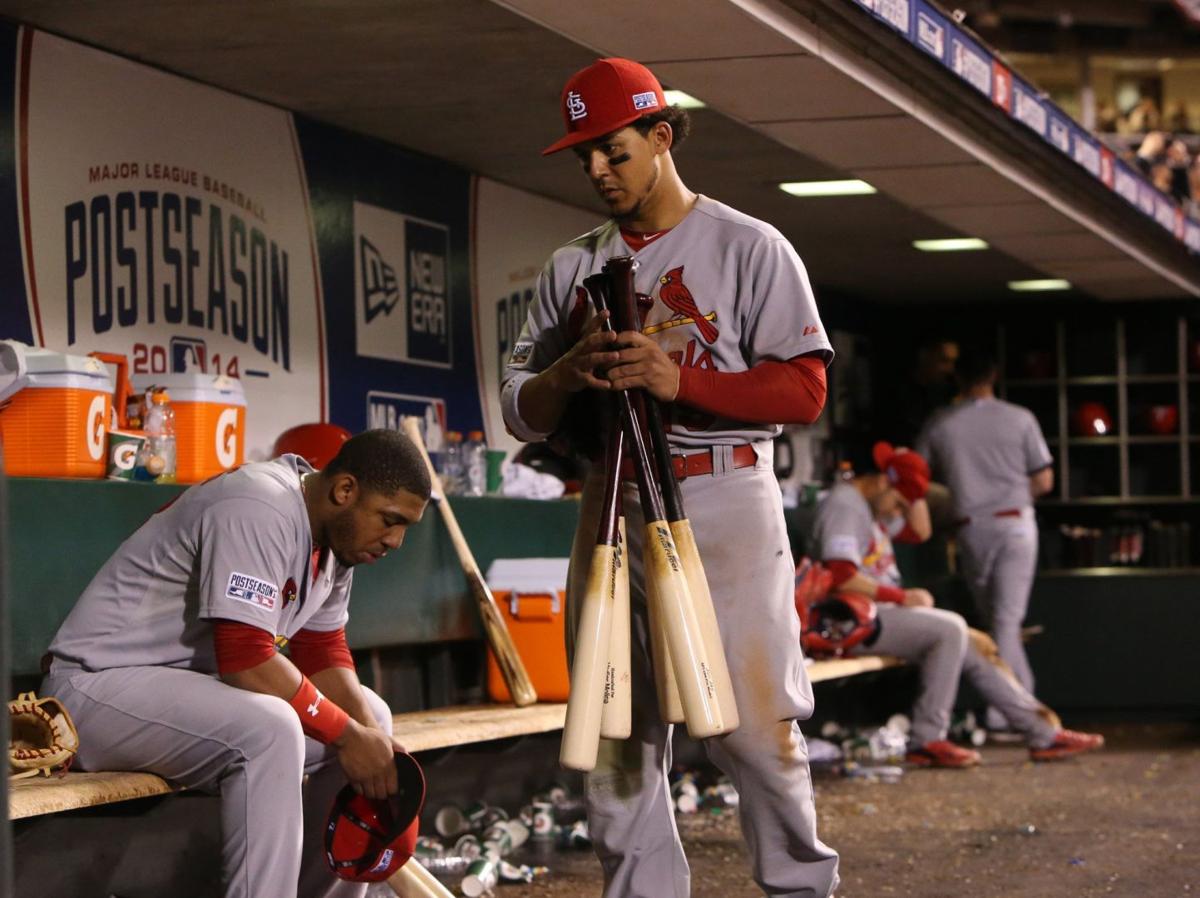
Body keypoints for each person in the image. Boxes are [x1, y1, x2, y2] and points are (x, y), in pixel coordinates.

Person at [501, 57, 839, 898]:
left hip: (720, 493)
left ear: (661, 135)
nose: (598, 171)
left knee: (755, 732)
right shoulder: (568, 267)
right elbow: (519, 409)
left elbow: (804, 388)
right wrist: (569, 371)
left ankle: (801, 886)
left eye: (612, 149)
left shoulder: (748, 244)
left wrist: (680, 380)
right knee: (615, 731)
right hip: (609, 499)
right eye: (584, 157)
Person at [40, 429, 431, 898]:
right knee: (271, 730)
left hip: (182, 693)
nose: (396, 540)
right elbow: (246, 660)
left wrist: (377, 747)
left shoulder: (338, 538)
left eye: (405, 526)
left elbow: (321, 650)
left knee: (375, 715)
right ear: (345, 490)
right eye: (390, 520)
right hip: (92, 692)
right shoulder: (260, 503)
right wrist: (350, 737)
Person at [809, 442, 1104, 766]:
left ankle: (1044, 734)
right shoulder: (845, 505)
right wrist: (902, 596)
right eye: (899, 503)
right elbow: (840, 576)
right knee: (950, 630)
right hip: (845, 619)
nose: (898, 512)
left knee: (974, 642)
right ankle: (927, 739)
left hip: (876, 613)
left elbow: (920, 530)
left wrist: (911, 486)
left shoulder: (874, 502)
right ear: (881, 481)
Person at [916, 347, 1054, 734]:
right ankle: (1020, 712)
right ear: (992, 375)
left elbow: (918, 476)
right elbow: (1044, 480)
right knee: (1006, 622)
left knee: (998, 622)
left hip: (970, 526)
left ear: (957, 379)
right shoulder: (1020, 417)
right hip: (1015, 523)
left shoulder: (942, 422)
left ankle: (1014, 711)